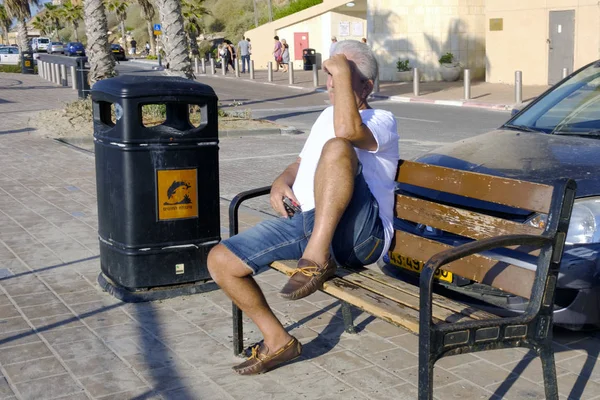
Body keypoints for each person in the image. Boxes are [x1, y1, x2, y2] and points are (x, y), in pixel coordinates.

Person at [207, 39, 399, 376]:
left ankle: (315, 259)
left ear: (366, 86)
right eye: (329, 75)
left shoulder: (382, 119)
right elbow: (302, 161)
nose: (331, 83)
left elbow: (346, 133)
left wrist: (340, 69)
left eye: (340, 76)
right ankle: (278, 340)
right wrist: (282, 179)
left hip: (359, 237)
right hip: (309, 223)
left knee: (339, 147)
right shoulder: (326, 115)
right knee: (220, 261)